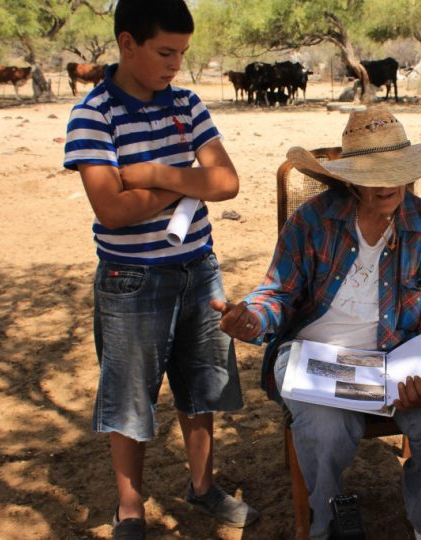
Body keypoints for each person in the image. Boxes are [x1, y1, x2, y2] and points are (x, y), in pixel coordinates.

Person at [212, 105, 421, 540]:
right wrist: (254, 319)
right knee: (327, 429)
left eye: (397, 170)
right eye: (372, 174)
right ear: (350, 177)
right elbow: (278, 292)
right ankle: (327, 521)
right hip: (317, 358)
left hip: (396, 363)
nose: (386, 184)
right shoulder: (312, 221)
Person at [63, 1, 256, 537]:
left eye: (183, 53)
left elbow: (227, 183)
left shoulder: (187, 103)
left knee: (202, 386)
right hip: (132, 278)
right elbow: (111, 210)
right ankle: (130, 508)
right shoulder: (93, 114)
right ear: (128, 44)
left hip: (198, 267)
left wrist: (149, 173)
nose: (176, 65)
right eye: (165, 52)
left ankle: (203, 487)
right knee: (129, 396)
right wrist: (187, 177)